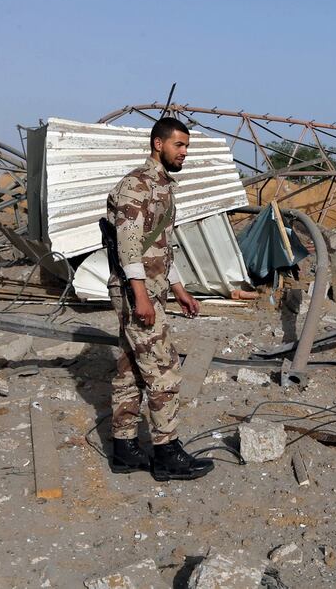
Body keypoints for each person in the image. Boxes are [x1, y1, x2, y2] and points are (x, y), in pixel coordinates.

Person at [105, 117, 214, 482]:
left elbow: (163, 247)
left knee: (130, 369)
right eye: (179, 146)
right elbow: (129, 246)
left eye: (186, 147)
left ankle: (125, 449)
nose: (185, 153)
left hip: (153, 290)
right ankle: (167, 452)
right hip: (138, 293)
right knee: (164, 370)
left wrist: (179, 289)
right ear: (158, 144)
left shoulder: (164, 187)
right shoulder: (136, 185)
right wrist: (141, 296)